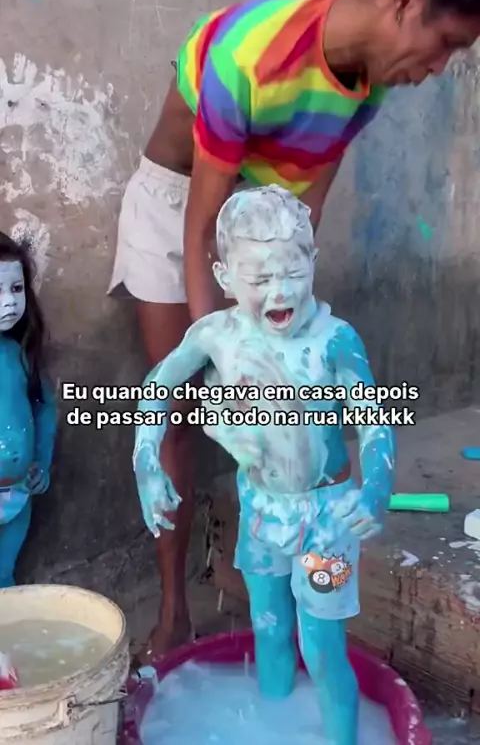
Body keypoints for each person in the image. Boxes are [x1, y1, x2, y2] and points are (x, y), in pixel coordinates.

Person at [108, 0, 480, 660]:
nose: (438, 69)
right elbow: (199, 231)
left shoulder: (366, 87)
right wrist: (231, 361)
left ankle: (293, 603)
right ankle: (174, 612)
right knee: (182, 407)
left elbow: (300, 222)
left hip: (264, 231)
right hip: (180, 210)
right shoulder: (251, 54)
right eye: (446, 44)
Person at [131, 185, 396, 745]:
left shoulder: (335, 341)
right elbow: (157, 388)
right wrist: (147, 465)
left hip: (328, 523)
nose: (280, 291)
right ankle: (275, 725)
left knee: (322, 648)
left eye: (293, 273)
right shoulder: (216, 336)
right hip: (260, 513)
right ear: (225, 278)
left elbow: (375, 422)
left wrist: (376, 489)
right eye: (258, 279)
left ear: (313, 262)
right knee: (269, 628)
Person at [0, 233, 57, 588]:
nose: (9, 301)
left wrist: (41, 463)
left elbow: (44, 411)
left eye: (16, 288)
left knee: (4, 574)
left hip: (18, 494)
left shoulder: (20, 356)